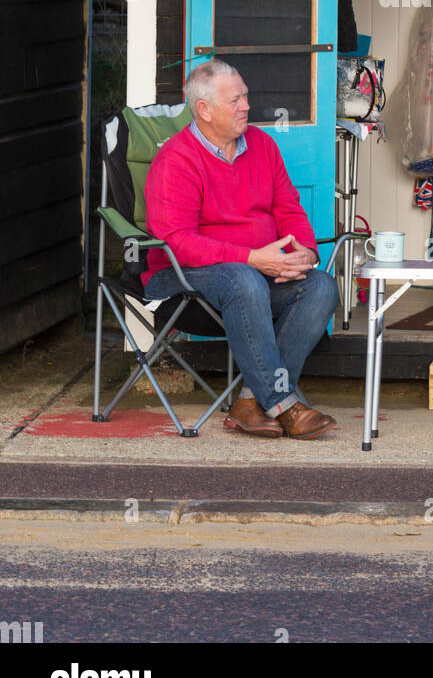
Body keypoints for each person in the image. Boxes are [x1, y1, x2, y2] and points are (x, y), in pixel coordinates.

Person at [142, 60, 341, 441]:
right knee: (243, 278)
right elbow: (177, 241)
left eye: (245, 96)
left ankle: (250, 401)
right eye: (234, 100)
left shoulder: (263, 146)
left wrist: (304, 253)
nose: (246, 106)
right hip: (181, 280)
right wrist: (253, 258)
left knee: (321, 286)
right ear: (204, 110)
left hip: (255, 276)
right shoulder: (177, 159)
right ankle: (283, 404)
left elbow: (289, 209)